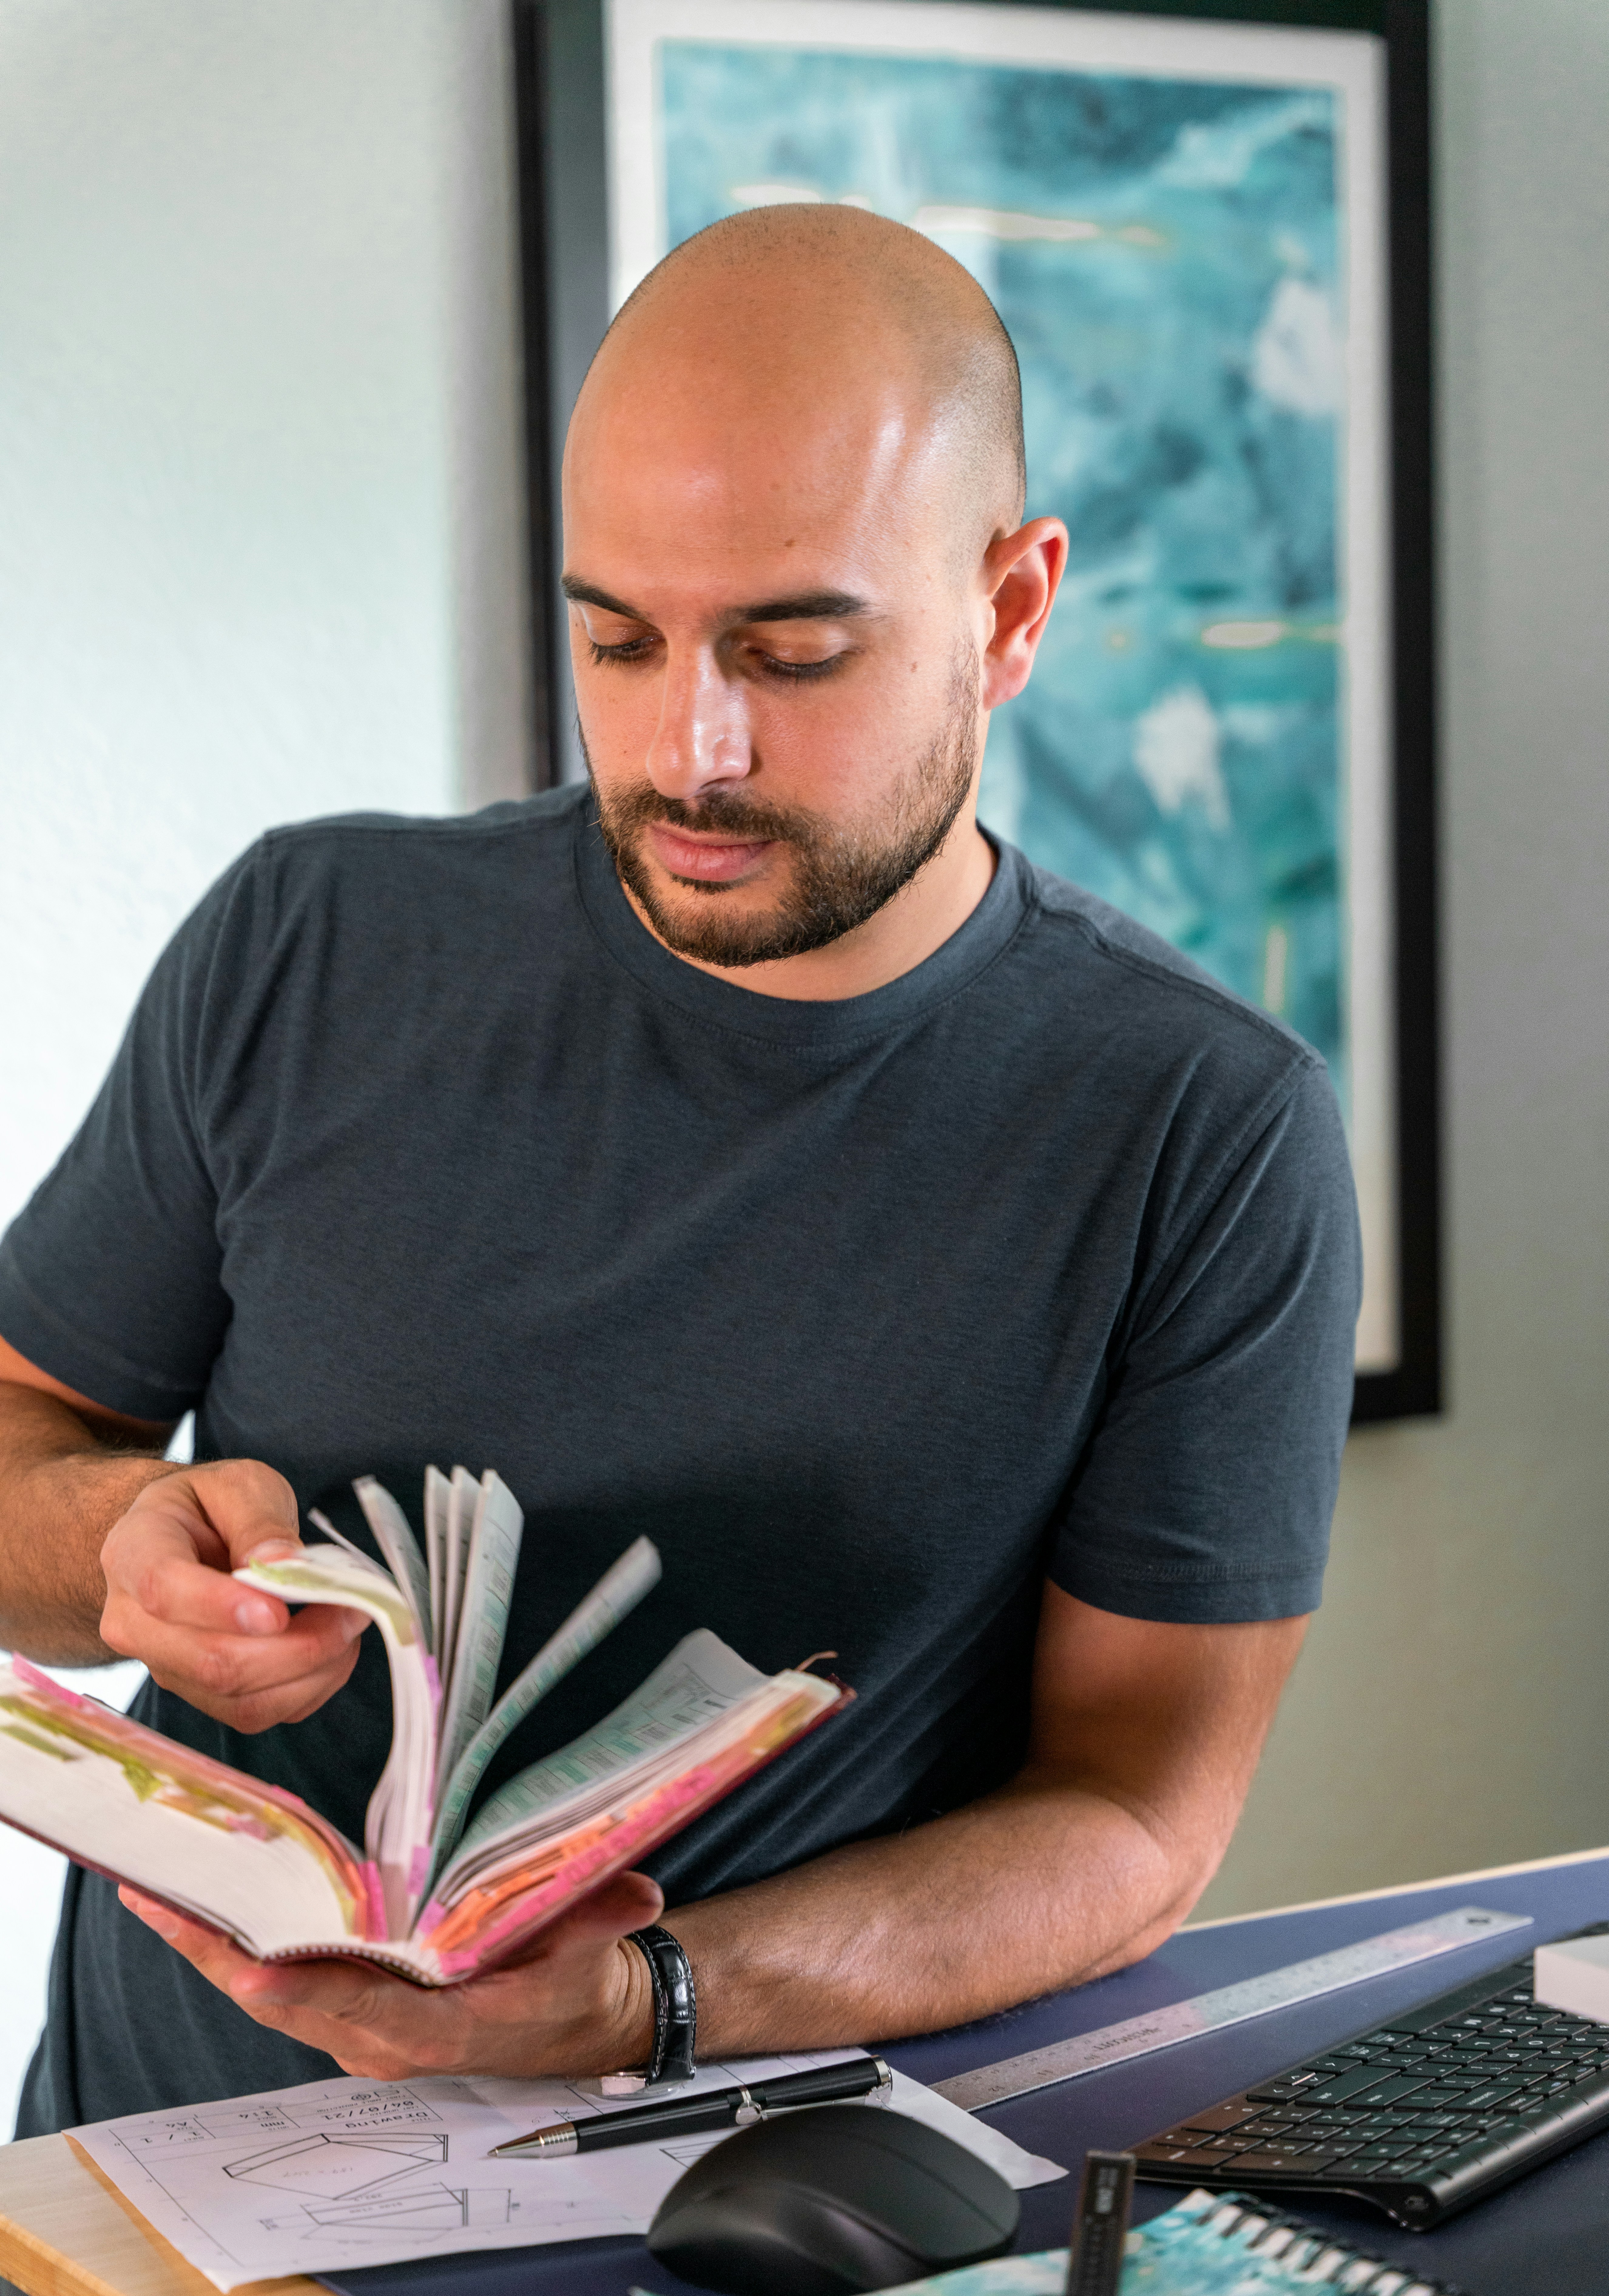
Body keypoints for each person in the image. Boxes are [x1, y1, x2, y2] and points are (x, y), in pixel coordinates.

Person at [0, 206, 1359, 2152]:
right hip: (132, 2212)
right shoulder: (315, 936)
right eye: (617, 639)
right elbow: (16, 1445)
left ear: (1011, 610)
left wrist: (650, 2001)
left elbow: (1137, 1818)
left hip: (730, 2225)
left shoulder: (1195, 1128)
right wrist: (126, 1551)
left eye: (791, 651)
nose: (688, 750)